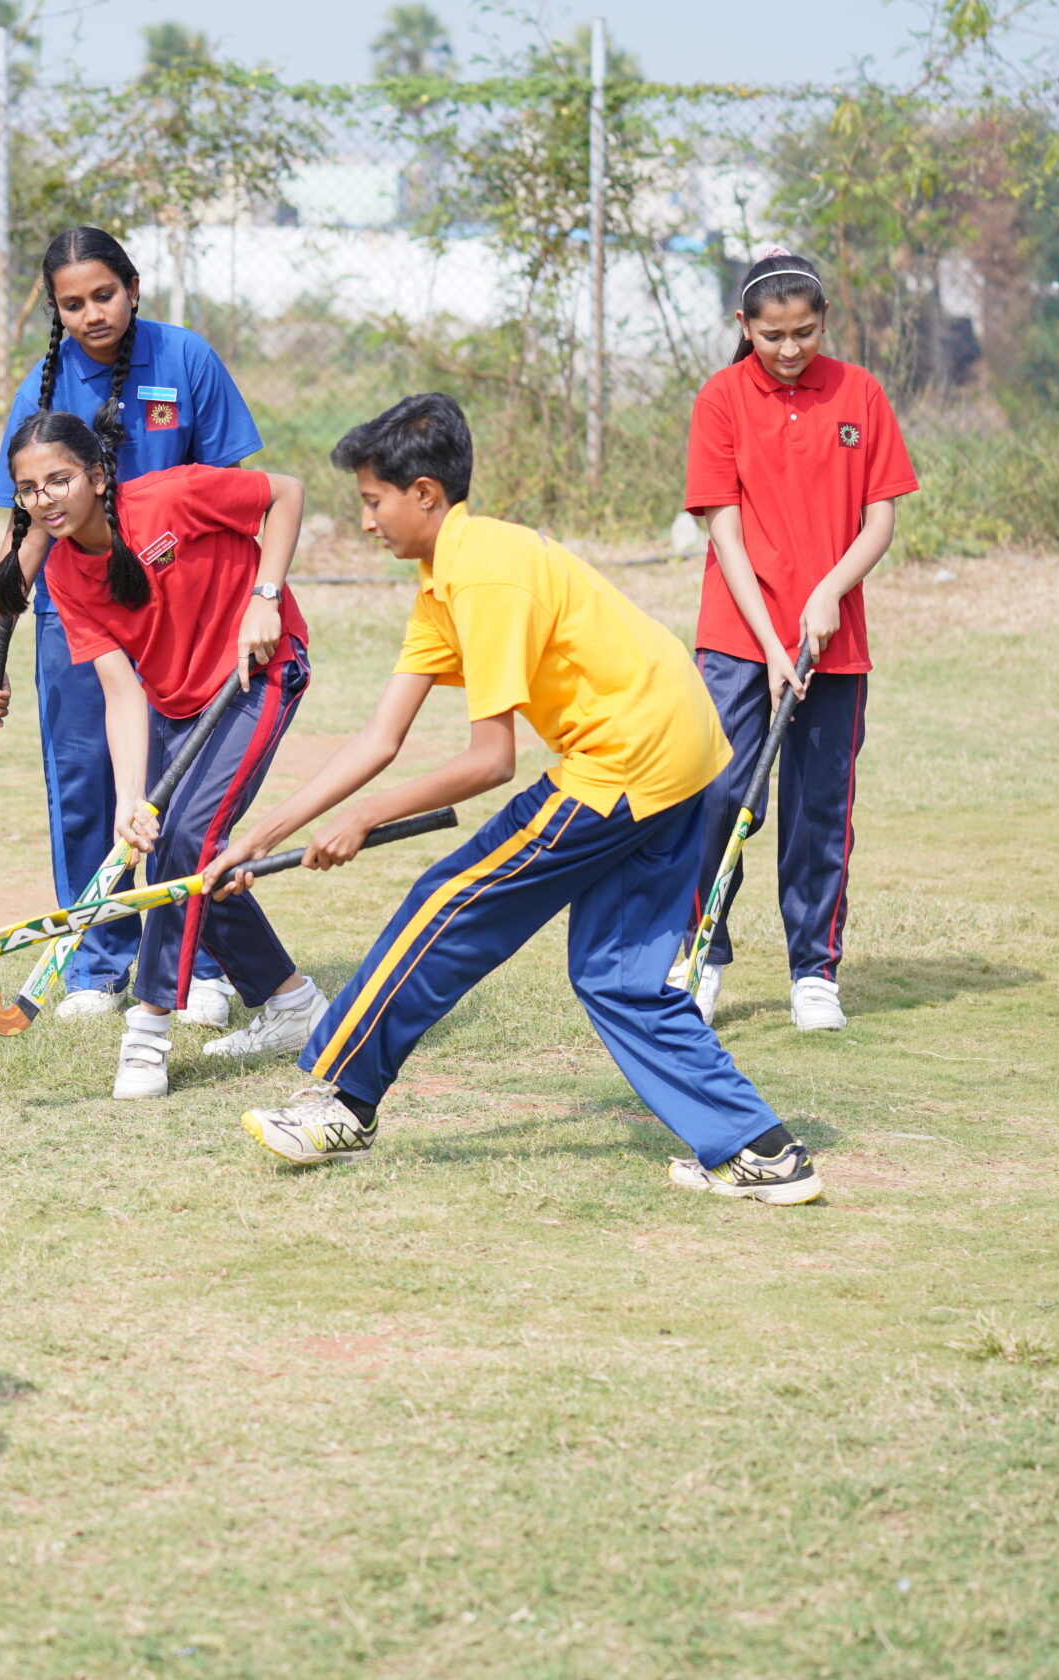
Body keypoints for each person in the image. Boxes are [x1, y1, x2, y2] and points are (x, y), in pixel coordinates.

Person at [208, 394, 820, 1206]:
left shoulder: (488, 572)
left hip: (624, 761)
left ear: (425, 493)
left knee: (451, 901)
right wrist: (262, 834)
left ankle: (338, 1101)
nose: (364, 523)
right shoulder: (444, 583)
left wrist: (364, 819)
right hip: (685, 755)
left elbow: (490, 760)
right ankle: (759, 1150)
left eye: (371, 501)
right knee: (619, 978)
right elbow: (378, 739)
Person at [0, 227, 264, 1028]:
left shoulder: (186, 359)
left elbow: (236, 495)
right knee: (85, 783)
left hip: (180, 612)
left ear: (132, 286)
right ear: (55, 311)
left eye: (104, 294)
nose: (92, 313)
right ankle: (96, 960)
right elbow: (22, 532)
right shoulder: (44, 382)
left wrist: (252, 601)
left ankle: (196, 963)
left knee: (179, 787)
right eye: (73, 303)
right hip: (76, 606)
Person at [0, 409, 320, 1099]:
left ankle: (146, 1032)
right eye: (28, 488)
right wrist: (130, 801)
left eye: (59, 478)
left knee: (187, 843)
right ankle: (292, 1005)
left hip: (257, 671)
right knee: (178, 849)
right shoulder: (65, 577)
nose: (44, 498)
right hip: (176, 706)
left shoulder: (170, 497)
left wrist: (266, 596)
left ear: (98, 474)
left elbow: (285, 492)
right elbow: (120, 692)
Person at [678, 249, 917, 1032]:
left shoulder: (860, 393)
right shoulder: (720, 398)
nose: (788, 350)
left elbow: (879, 517)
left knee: (818, 808)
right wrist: (773, 647)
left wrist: (827, 593)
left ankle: (814, 972)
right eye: (772, 334)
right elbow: (724, 529)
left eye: (804, 332)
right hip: (737, 638)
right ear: (743, 326)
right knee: (717, 795)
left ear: (824, 323)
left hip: (831, 643)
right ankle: (700, 954)